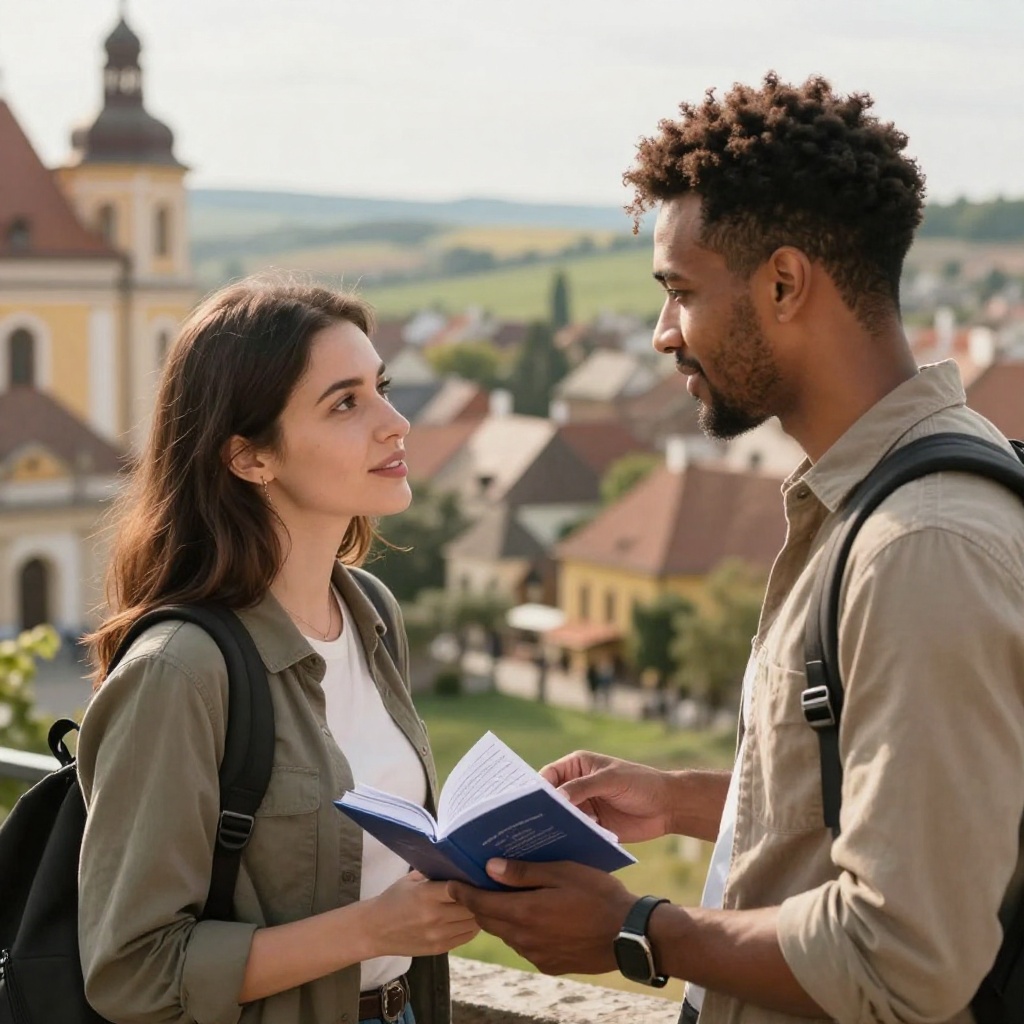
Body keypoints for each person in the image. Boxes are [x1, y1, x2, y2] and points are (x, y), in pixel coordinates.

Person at [449, 73, 1024, 1024]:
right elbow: (889, 810)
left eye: (680, 292)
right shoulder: (881, 501)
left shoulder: (919, 546)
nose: (661, 334)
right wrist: (679, 800)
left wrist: (638, 929)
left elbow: (905, 954)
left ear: (784, 283)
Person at [78, 279, 478, 1024]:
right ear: (249, 457)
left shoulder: (372, 614)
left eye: (382, 389)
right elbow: (132, 972)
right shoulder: (178, 671)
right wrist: (372, 930)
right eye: (345, 403)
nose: (395, 424)